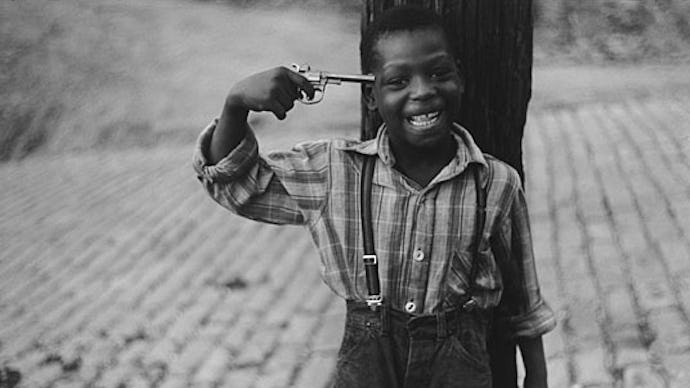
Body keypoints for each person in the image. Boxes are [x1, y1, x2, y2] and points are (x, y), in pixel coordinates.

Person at [193, 5, 556, 387]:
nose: (423, 91)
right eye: (398, 81)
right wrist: (235, 105)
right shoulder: (336, 172)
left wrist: (536, 375)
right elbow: (236, 183)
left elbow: (523, 301)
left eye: (439, 73)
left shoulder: (496, 183)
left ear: (460, 79)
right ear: (371, 96)